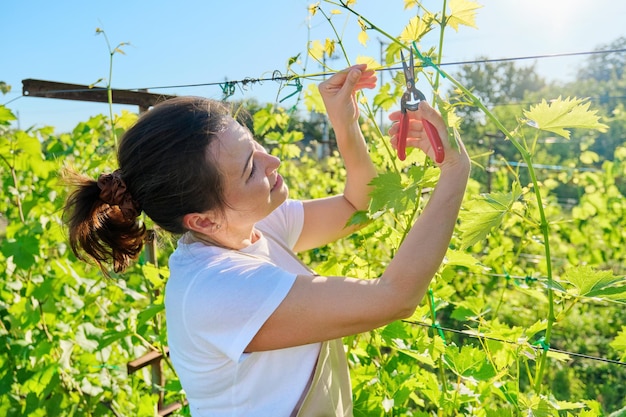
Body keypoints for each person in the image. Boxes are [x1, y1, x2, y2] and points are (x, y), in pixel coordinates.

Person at [63, 63, 470, 417]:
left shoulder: (251, 226)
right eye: (248, 168)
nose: (272, 161)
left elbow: (355, 207)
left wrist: (345, 123)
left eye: (253, 143)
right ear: (201, 220)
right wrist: (454, 171)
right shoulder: (215, 288)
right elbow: (393, 298)